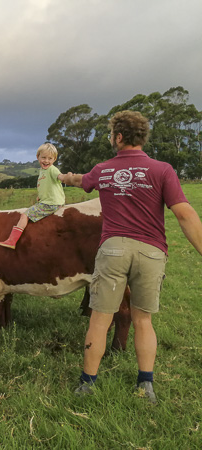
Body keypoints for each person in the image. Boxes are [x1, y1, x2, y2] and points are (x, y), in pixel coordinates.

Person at [58, 110, 202, 403]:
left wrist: (61, 176)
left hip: (112, 251)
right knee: (143, 321)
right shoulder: (163, 170)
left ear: (119, 137)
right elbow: (185, 214)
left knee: (99, 321)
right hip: (151, 253)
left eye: (112, 135)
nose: (111, 139)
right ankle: (145, 386)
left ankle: (87, 384)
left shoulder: (104, 169)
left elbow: (81, 180)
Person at [0, 142, 65, 249]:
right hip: (49, 200)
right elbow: (45, 186)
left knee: (25, 215)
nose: (46, 161)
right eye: (43, 157)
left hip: (51, 203)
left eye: (50, 158)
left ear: (54, 159)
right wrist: (40, 196)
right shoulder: (42, 171)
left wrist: (65, 178)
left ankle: (12, 240)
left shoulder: (52, 169)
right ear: (37, 157)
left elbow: (59, 176)